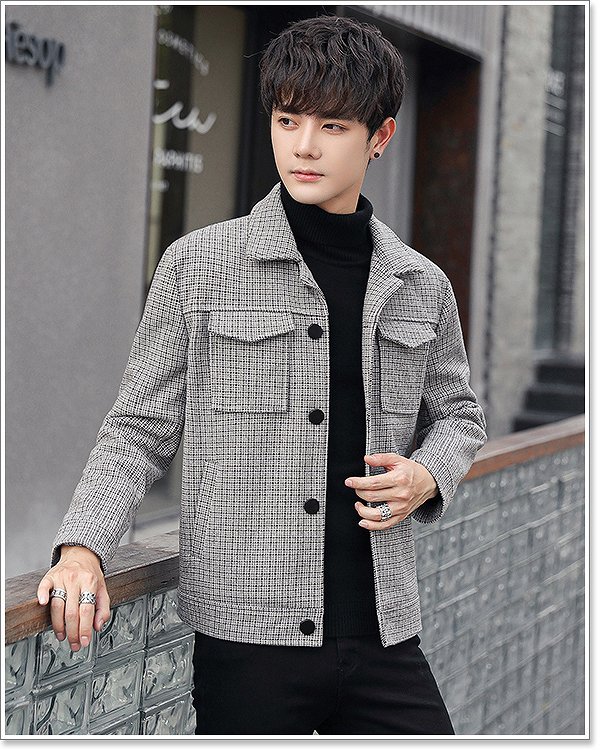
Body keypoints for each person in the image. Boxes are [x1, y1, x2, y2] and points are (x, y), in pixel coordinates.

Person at [38, 15, 487, 735]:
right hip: (247, 638)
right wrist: (82, 548)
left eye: (333, 127)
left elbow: (460, 417)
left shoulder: (420, 285)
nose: (303, 146)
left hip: (383, 633)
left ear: (380, 137)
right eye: (287, 120)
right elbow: (138, 428)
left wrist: (428, 474)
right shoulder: (198, 266)